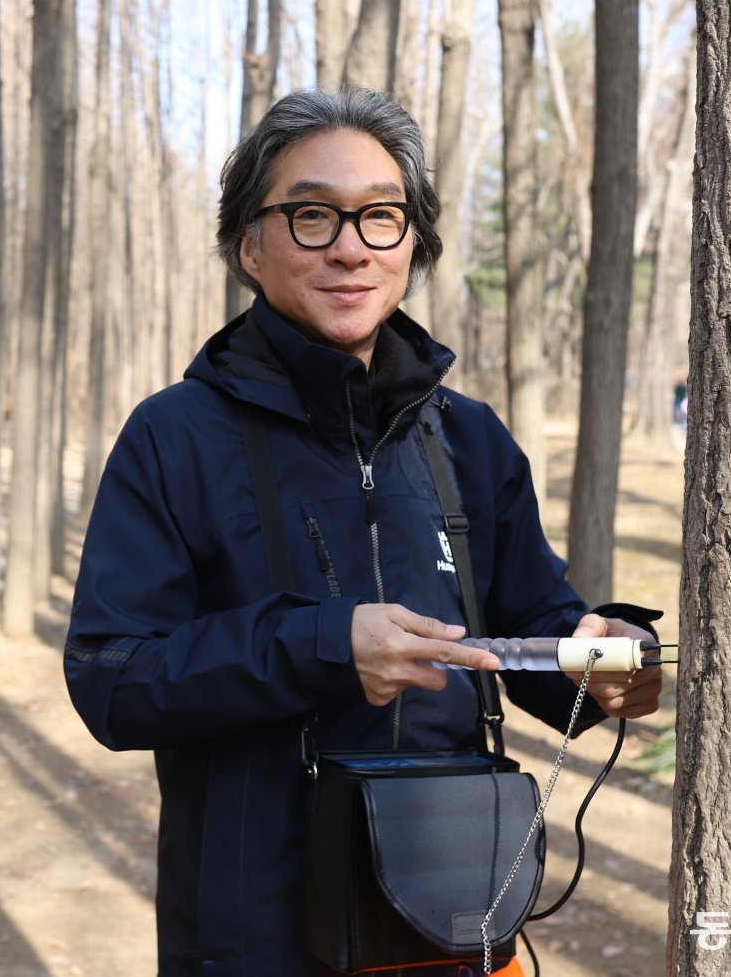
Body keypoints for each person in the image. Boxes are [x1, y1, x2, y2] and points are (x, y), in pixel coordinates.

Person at [63, 86, 663, 977]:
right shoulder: (175, 435)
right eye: (312, 216)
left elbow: (531, 628)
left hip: (451, 918)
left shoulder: (472, 438)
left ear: (413, 243)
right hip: (250, 937)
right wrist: (320, 646)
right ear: (249, 246)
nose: (350, 247)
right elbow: (111, 681)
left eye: (381, 217)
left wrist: (603, 662)